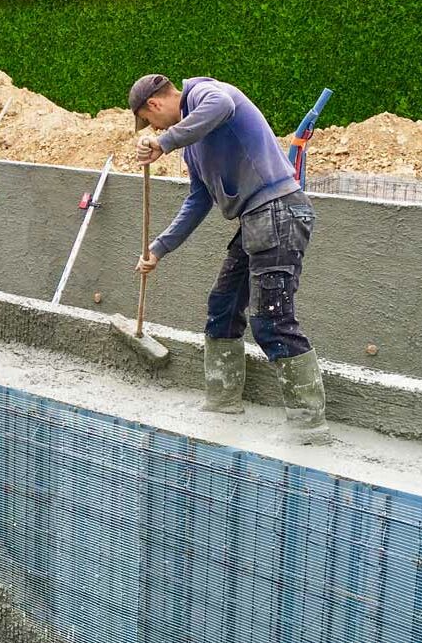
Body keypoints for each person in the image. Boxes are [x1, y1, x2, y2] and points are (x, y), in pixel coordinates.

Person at [130, 74, 332, 445]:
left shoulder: (204, 92)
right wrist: (158, 249)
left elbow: (221, 107)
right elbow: (198, 200)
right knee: (222, 305)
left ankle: (309, 425)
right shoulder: (193, 145)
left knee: (271, 319)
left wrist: (163, 142)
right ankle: (222, 402)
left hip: (279, 211)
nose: (153, 128)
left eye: (149, 121)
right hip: (255, 220)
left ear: (154, 105)